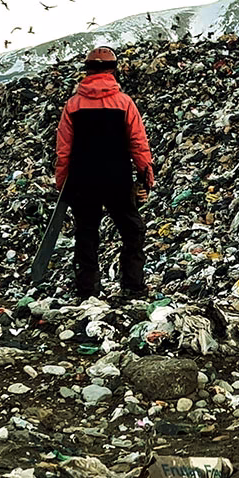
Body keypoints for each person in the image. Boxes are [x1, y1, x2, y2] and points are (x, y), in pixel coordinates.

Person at [55, 46, 154, 299]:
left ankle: (88, 290)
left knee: (87, 233)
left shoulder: (73, 105)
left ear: (87, 71)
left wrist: (62, 182)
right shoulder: (124, 103)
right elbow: (138, 142)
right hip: (117, 179)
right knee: (132, 231)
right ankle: (133, 287)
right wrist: (145, 173)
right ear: (113, 71)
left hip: (82, 180)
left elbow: (63, 148)